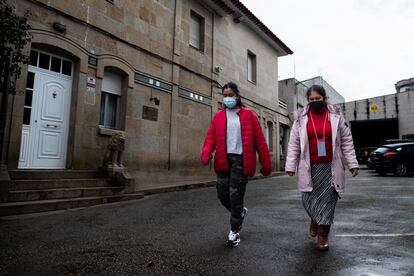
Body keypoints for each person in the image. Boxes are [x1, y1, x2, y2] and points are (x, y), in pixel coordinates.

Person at [285, 84, 359, 251]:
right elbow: (294, 144)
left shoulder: (336, 117)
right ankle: (314, 217)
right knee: (307, 199)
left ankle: (323, 235)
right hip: (309, 167)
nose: (314, 101)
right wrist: (290, 165)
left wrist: (352, 163)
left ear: (325, 99)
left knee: (328, 202)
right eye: (311, 99)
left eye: (318, 99)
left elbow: (347, 142)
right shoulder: (301, 118)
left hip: (330, 166)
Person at [201, 82, 272, 248]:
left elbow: (260, 142)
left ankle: (234, 231)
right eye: (224, 96)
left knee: (235, 195)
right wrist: (206, 153)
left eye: (230, 95)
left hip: (241, 160)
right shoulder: (219, 116)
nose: (227, 98)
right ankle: (239, 213)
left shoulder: (249, 115)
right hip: (223, 160)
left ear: (237, 96)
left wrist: (266, 163)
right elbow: (210, 138)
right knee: (222, 193)